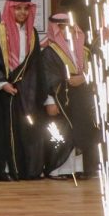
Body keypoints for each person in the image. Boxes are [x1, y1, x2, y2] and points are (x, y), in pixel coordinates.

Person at [0, 0, 42, 180]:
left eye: (26, 9)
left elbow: (35, 64)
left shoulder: (32, 33)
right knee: (5, 130)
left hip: (26, 90)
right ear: (10, 9)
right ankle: (7, 170)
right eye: (18, 8)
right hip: (4, 88)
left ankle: (26, 169)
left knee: (26, 129)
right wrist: (2, 82)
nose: (22, 12)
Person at [37, 12, 97, 179]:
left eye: (69, 27)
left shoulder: (84, 50)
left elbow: (94, 71)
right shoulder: (49, 51)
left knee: (82, 131)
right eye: (61, 27)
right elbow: (47, 78)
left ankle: (81, 169)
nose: (66, 31)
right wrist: (50, 100)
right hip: (60, 99)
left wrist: (83, 78)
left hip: (82, 99)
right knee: (63, 131)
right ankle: (58, 169)